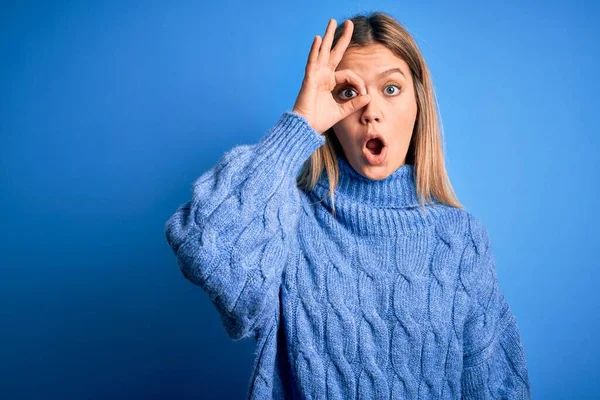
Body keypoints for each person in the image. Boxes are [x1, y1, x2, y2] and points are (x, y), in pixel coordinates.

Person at [164, 11, 532, 399]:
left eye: (391, 89)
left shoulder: (460, 240)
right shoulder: (290, 220)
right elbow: (203, 247)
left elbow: (499, 387)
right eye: (349, 93)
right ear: (332, 116)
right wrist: (301, 123)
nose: (371, 110)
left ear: (419, 104)